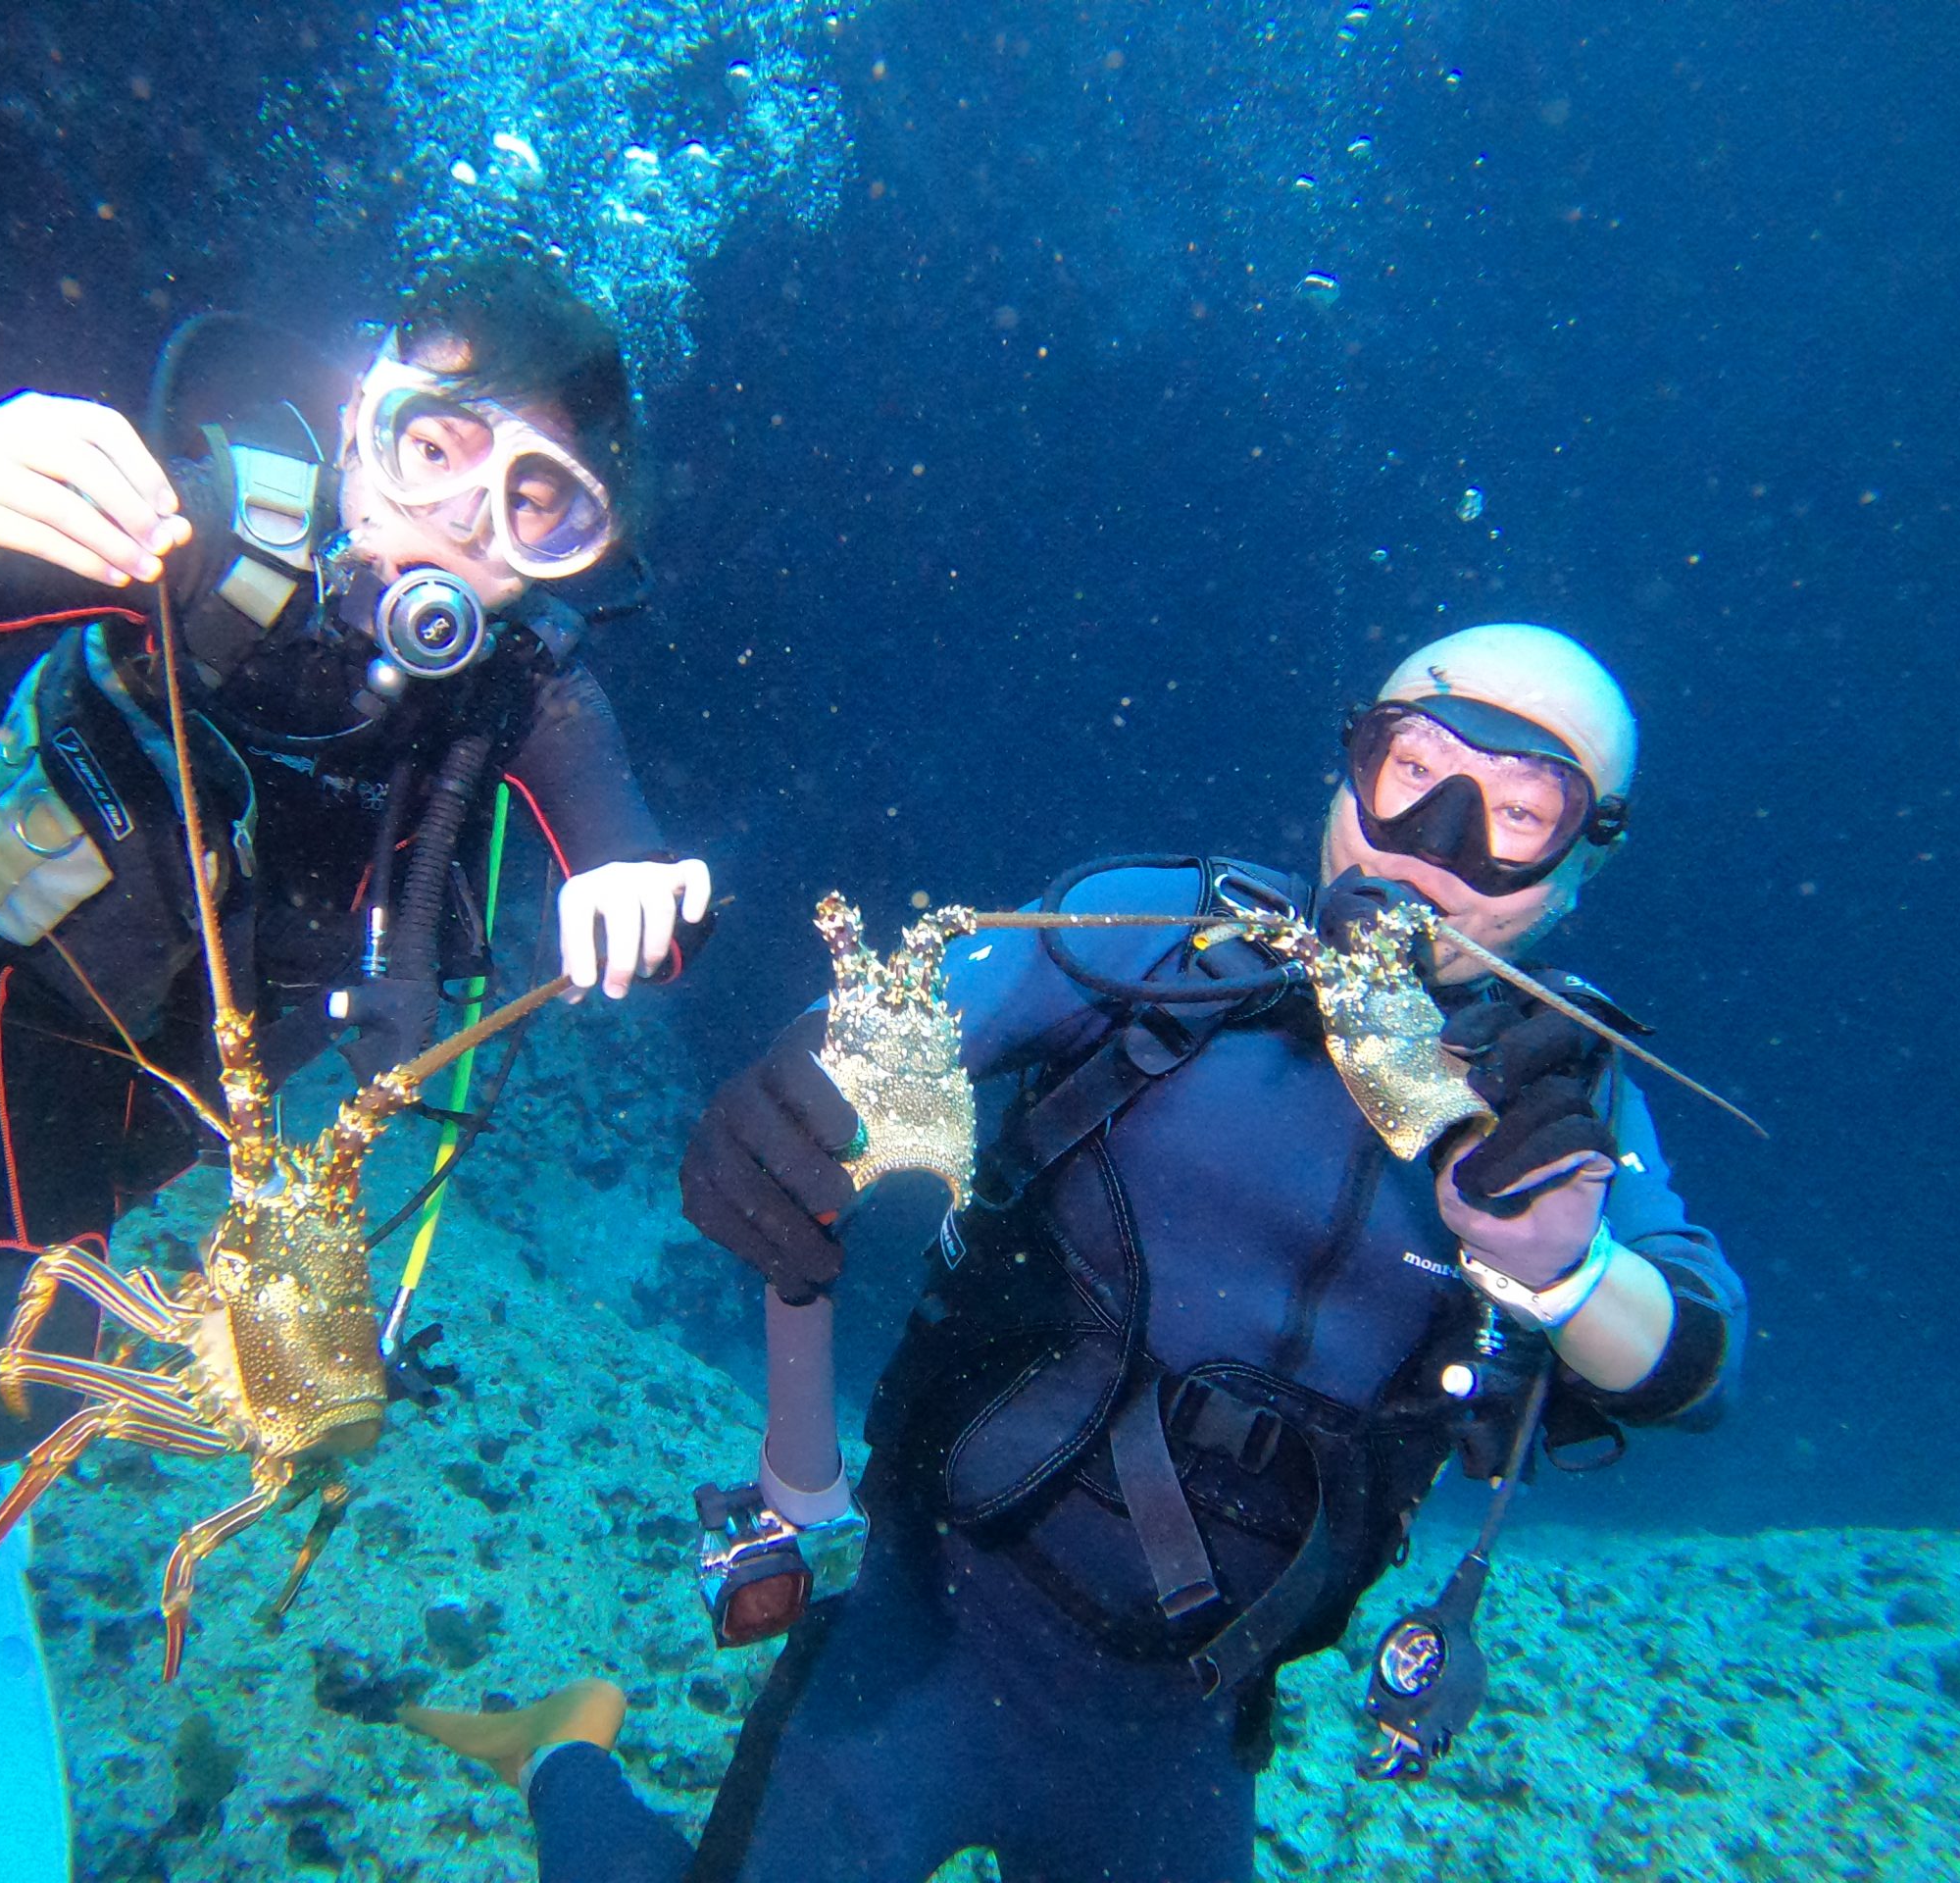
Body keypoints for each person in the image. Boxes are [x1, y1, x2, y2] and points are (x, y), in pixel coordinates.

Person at [403, 623, 1746, 1882]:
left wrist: (1572, 1270)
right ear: (1351, 773)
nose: (1436, 846)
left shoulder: (1576, 1119)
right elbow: (929, 1000)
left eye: (1518, 814)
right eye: (1414, 771)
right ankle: (564, 1753)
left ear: (1579, 866)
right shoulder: (1159, 941)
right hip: (925, 1634)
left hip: (1186, 1729)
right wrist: (801, 1090)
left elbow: (1701, 1358)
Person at [0, 257, 714, 1883]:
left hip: (223, 1085)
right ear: (359, 423)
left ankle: (9, 1266)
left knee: (78, 1260)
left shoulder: (527, 683)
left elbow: (625, 849)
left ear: (581, 549)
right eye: (435, 446)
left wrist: (643, 891)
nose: (463, 525)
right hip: (39, 1006)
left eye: (539, 505)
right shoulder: (203, 530)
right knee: (25, 1367)